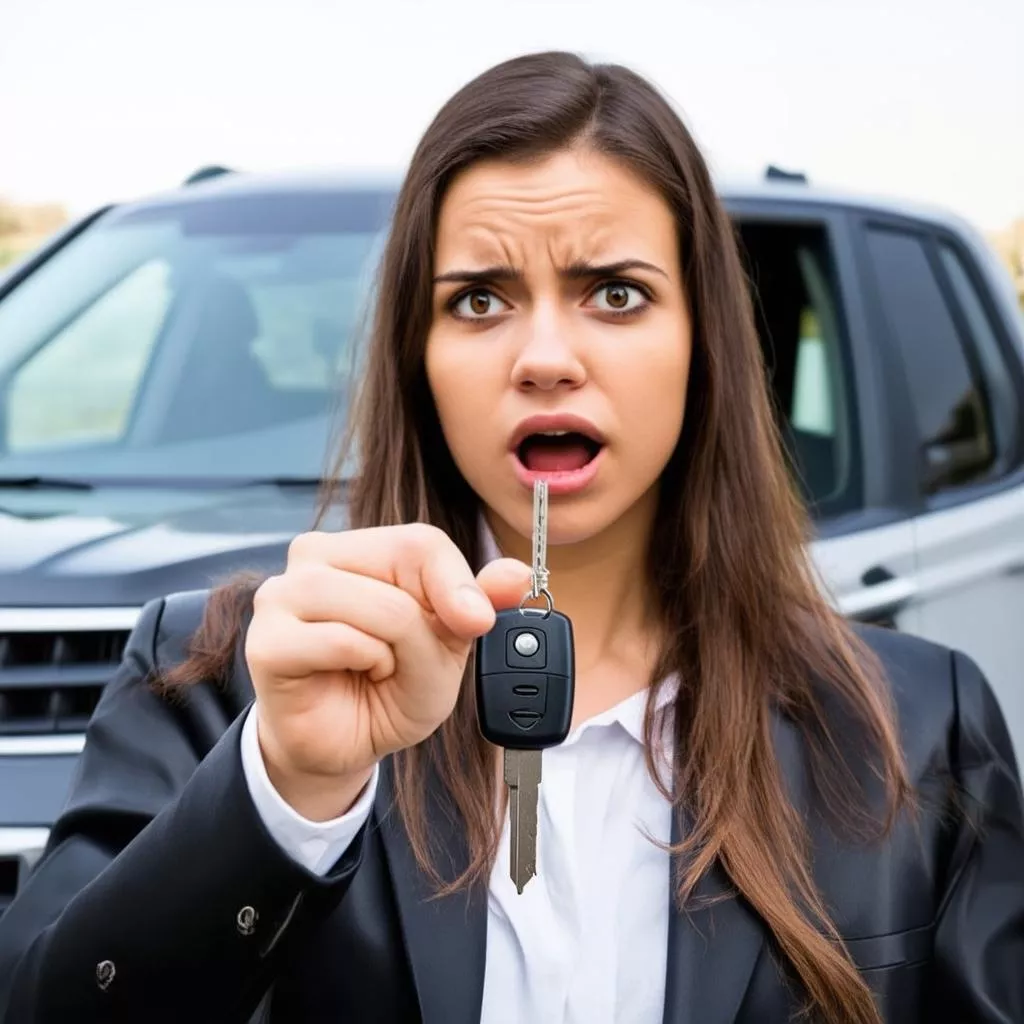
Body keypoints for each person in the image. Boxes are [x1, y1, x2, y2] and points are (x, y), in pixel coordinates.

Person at [0, 51, 1022, 1024]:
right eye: (479, 299)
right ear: (419, 356)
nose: (543, 357)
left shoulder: (916, 726)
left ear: (703, 344)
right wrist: (286, 787)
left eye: (614, 294)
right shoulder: (221, 677)